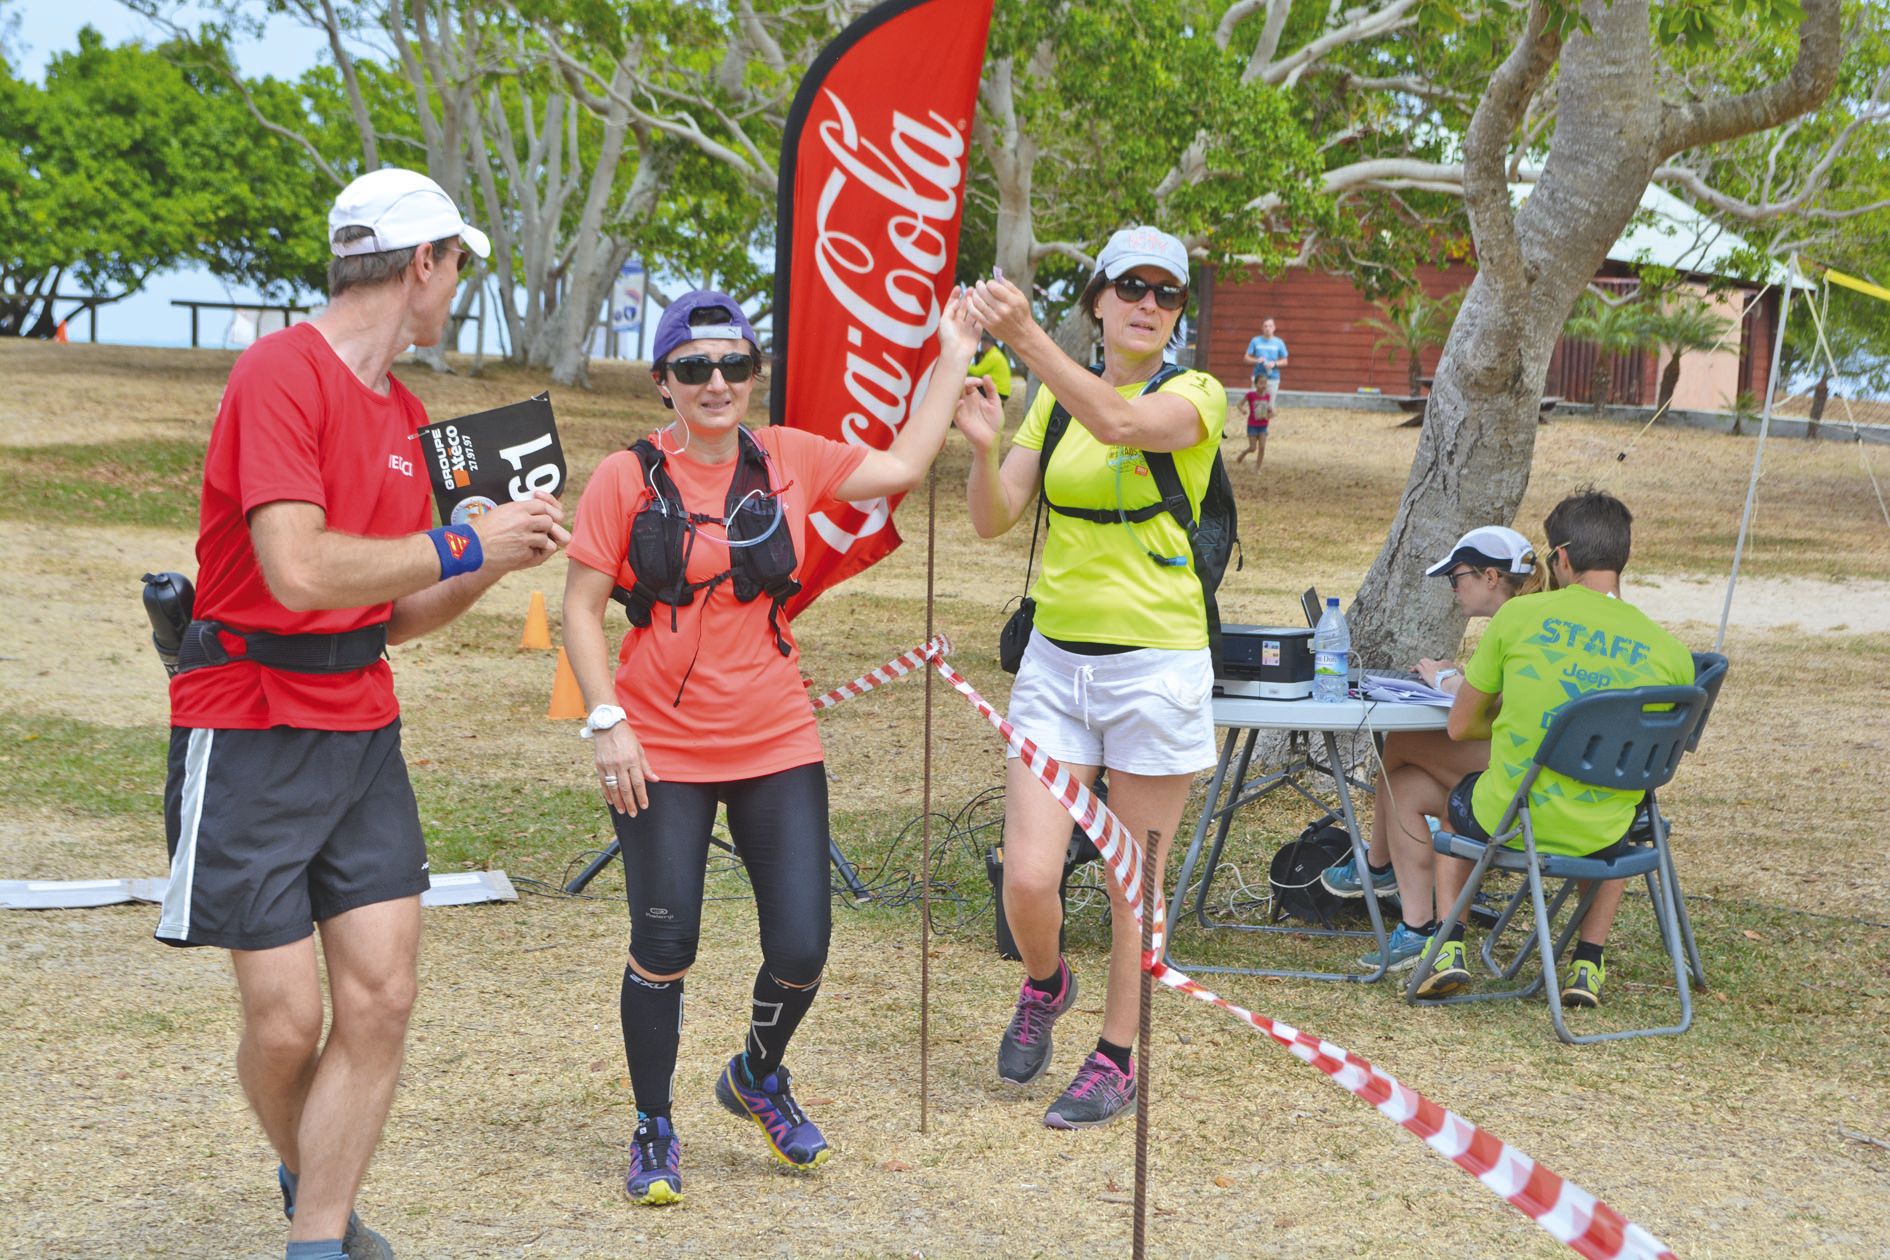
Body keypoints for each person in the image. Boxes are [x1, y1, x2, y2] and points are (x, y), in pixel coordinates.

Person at [157, 168, 568, 1260]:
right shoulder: (277, 373)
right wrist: (460, 541)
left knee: (381, 1001)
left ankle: (317, 1238)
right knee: (289, 1019)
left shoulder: (410, 414)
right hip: (247, 720)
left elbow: (387, 613)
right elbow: (297, 571)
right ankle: (307, 1169)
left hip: (360, 723)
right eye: (458, 266)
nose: (460, 289)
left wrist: (493, 557)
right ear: (422, 263)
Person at [561, 287, 980, 1205]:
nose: (717, 383)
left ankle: (756, 1074)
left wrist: (950, 353)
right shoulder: (623, 478)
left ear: (754, 374)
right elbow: (580, 609)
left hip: (775, 736)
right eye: (694, 368)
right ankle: (653, 1126)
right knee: (664, 944)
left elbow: (906, 461)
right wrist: (607, 723)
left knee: (802, 945)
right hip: (659, 746)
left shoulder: (790, 457)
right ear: (664, 381)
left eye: (734, 366)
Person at [955, 225, 1226, 1129]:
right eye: (1131, 286)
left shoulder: (1197, 393)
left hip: (1157, 669)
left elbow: (1121, 420)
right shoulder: (1054, 403)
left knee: (1129, 886)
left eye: (1168, 292)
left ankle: (1115, 1057)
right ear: (1099, 299)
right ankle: (1046, 981)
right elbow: (995, 522)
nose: (1150, 304)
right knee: (1029, 878)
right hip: (1055, 666)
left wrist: (1028, 340)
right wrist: (985, 447)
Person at [1409, 490, 1695, 1005]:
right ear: (1621, 557)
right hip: (1605, 831)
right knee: (1615, 803)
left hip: (1514, 821)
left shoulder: (1518, 619)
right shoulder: (1672, 654)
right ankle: (1587, 965)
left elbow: (1460, 726)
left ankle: (1448, 946)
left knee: (1456, 807)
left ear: (1561, 557)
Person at [1316, 526, 1545, 970]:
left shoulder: (1517, 623)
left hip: (1521, 778)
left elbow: (1473, 719)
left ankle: (1378, 864)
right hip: (1516, 770)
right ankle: (1417, 927)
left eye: (1457, 577)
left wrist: (1445, 680)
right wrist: (1459, 681)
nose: (1454, 589)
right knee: (1402, 783)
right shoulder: (1523, 618)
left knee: (1400, 743)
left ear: (1491, 578)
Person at [1241, 316, 1288, 435]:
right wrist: (1256, 360)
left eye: (1270, 326)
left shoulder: (1279, 342)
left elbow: (1285, 361)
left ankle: (1263, 428)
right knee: (1255, 403)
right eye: (1265, 326)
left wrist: (1275, 364)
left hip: (1272, 378)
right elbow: (1246, 358)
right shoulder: (1255, 341)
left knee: (1269, 405)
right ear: (1262, 328)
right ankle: (1254, 429)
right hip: (1257, 377)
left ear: (1274, 328)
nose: (1268, 328)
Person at [968, 331, 1013, 400]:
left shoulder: (993, 356)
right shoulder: (995, 353)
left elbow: (977, 372)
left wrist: (965, 365)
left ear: (986, 344)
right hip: (1002, 390)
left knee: (970, 389)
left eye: (982, 345)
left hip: (999, 390)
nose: (981, 348)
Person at [1234, 383, 1269, 468]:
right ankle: (1244, 453)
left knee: (1262, 447)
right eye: (1261, 383)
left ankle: (1257, 468)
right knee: (1253, 448)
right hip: (1252, 425)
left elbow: (1268, 409)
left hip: (1263, 425)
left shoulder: (1267, 396)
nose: (1263, 385)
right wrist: (1242, 410)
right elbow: (1239, 404)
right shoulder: (1250, 395)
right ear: (1256, 384)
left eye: (1265, 383)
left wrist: (1271, 413)